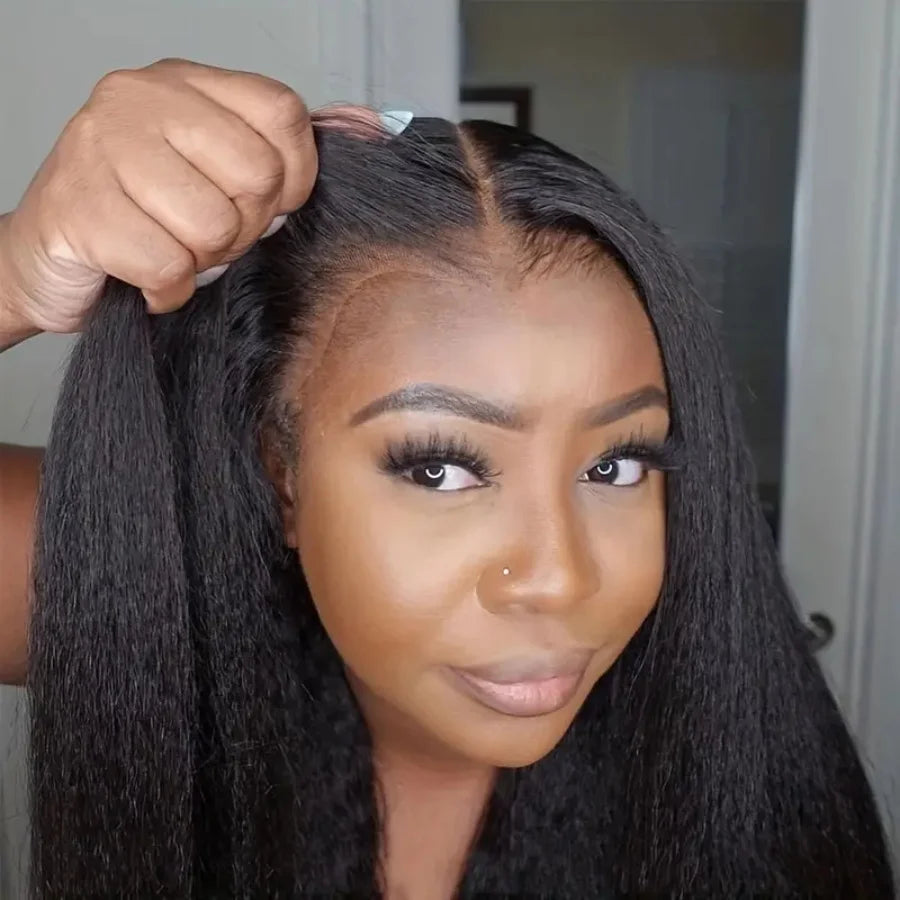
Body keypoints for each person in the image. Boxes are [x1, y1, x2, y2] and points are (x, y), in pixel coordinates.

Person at [0, 59, 893, 899]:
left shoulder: (744, 779)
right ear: (280, 478)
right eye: (441, 467)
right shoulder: (153, 601)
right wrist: (12, 275)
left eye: (616, 464)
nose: (561, 578)